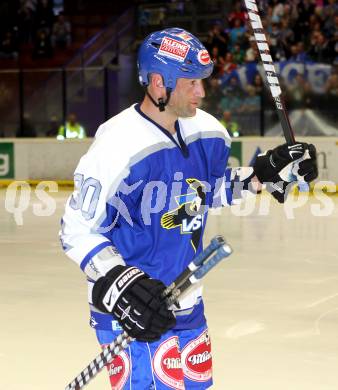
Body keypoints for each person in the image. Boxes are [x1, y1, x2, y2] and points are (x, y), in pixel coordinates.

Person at [60, 28, 318, 389]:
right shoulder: (115, 145)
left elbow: (206, 191)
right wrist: (121, 285)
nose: (202, 91)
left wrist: (263, 175)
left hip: (185, 296)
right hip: (133, 308)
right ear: (157, 82)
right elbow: (76, 229)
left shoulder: (208, 131)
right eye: (192, 82)